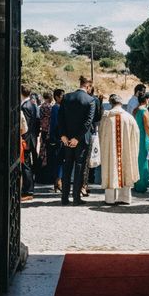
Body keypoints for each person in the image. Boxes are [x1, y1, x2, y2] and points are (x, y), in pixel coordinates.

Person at [58, 76, 96, 205]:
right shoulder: (90, 100)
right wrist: (77, 138)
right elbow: (88, 122)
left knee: (67, 166)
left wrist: (63, 135)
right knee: (79, 168)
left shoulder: (66, 97)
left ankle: (64, 198)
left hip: (66, 139)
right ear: (88, 86)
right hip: (81, 140)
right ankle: (76, 197)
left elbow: (60, 117)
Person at [99, 94, 140, 204]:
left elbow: (101, 134)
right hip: (125, 150)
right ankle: (125, 198)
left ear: (111, 103)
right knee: (125, 168)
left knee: (111, 168)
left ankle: (110, 199)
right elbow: (136, 134)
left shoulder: (106, 117)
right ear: (121, 103)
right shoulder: (129, 117)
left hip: (111, 152)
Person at [82, 87, 103, 197]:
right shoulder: (94, 100)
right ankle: (86, 183)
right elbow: (98, 117)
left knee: (83, 160)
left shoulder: (83, 99)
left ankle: (84, 184)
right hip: (91, 131)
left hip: (81, 132)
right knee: (89, 158)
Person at [20, 85, 39, 199]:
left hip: (26, 139)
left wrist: (24, 140)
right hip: (32, 138)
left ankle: (28, 191)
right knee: (28, 165)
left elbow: (25, 126)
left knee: (26, 165)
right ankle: (28, 189)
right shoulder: (32, 104)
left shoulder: (25, 106)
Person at [133, 93, 149, 193]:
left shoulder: (136, 110)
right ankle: (142, 185)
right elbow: (147, 127)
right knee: (144, 161)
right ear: (146, 100)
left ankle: (137, 183)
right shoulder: (144, 110)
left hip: (137, 137)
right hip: (144, 138)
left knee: (138, 160)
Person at [49, 89, 64, 192]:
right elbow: (54, 124)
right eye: (62, 96)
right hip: (58, 138)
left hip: (61, 137)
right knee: (58, 161)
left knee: (61, 161)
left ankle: (59, 182)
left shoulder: (61, 107)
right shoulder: (55, 108)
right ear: (57, 97)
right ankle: (57, 182)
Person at [37, 92, 54, 184]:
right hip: (47, 130)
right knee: (46, 153)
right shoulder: (48, 107)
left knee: (42, 152)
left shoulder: (42, 106)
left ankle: (41, 175)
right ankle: (46, 176)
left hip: (44, 130)